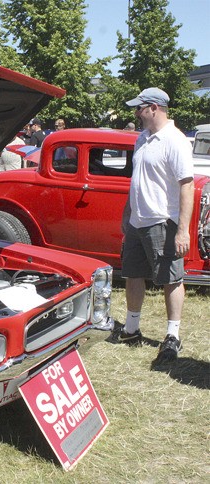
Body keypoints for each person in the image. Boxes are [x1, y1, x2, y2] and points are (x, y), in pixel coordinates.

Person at [114, 87, 194, 364]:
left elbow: (187, 184)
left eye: (139, 108)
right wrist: (127, 213)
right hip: (138, 221)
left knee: (171, 279)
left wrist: (182, 229)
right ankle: (132, 328)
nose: (136, 113)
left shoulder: (175, 140)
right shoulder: (143, 139)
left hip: (162, 221)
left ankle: (172, 336)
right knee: (133, 274)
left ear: (153, 108)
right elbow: (137, 181)